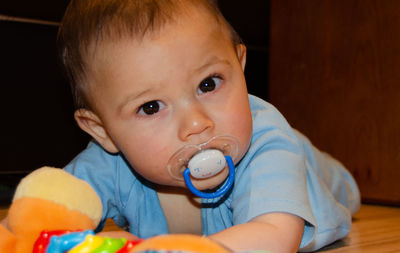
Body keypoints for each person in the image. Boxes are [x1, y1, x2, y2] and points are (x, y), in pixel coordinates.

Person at [54, 0, 360, 252]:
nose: (197, 124)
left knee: (335, 181)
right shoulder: (108, 161)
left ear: (239, 66)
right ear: (103, 131)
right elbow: (47, 211)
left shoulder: (264, 143)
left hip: (304, 165)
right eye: (151, 107)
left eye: (208, 84)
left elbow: (275, 237)